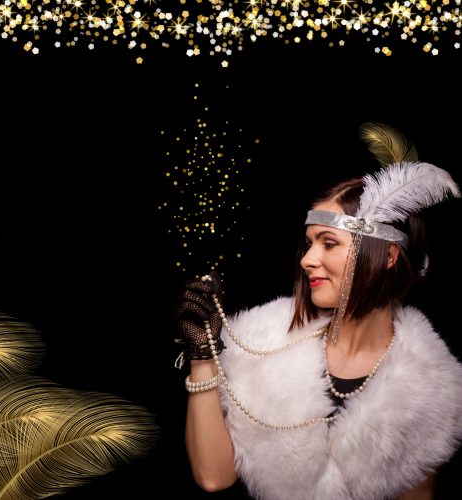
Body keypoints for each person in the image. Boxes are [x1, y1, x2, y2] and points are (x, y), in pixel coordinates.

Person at [171, 122, 462, 500]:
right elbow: (214, 477)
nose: (308, 259)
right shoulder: (260, 341)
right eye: (309, 244)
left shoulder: (437, 388)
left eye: (328, 243)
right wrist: (202, 357)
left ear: (388, 256)